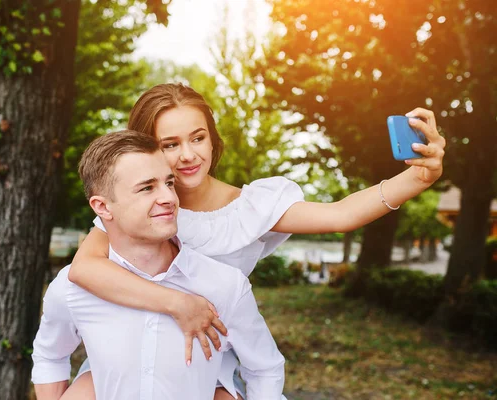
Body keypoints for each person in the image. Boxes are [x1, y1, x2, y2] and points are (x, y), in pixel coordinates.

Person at [66, 83, 446, 399]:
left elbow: (341, 215)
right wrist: (180, 304)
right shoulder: (137, 209)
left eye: (197, 138)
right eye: (169, 144)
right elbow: (85, 269)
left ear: (212, 139)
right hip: (130, 355)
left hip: (207, 360)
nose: (187, 155)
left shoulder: (250, 208)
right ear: (146, 149)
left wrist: (418, 180)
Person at [31, 130, 286, 400]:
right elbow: (50, 354)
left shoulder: (224, 286)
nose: (169, 198)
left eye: (169, 183)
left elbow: (264, 369)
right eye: (147, 188)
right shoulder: (72, 290)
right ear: (103, 207)